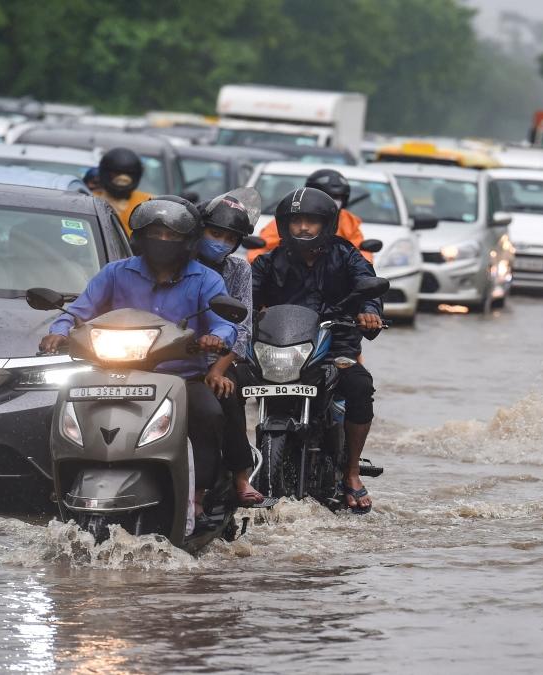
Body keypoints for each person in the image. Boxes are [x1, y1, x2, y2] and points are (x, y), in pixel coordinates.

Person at [38, 196, 236, 528]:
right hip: (110, 373)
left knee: (208, 414)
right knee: (58, 408)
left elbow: (224, 322)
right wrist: (58, 331)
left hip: (180, 379)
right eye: (155, 233)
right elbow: (78, 311)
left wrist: (216, 337)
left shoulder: (205, 279)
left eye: (172, 235)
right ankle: (56, 486)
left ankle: (198, 498)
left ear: (187, 241)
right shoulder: (115, 273)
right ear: (139, 237)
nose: (162, 241)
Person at [251, 187, 383, 513]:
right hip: (282, 349)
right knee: (226, 384)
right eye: (296, 222)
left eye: (312, 221)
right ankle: (235, 474)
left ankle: (350, 472)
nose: (304, 228)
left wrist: (370, 312)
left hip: (334, 346)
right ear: (284, 225)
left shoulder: (347, 256)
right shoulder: (270, 262)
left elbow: (367, 285)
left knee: (360, 387)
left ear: (327, 224)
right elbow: (246, 297)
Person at [196, 190, 266, 506]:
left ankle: (240, 474)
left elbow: (242, 327)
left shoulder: (238, 270)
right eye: (215, 233)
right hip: (173, 354)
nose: (221, 242)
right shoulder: (177, 263)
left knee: (227, 396)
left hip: (224, 357)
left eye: (229, 238)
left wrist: (218, 368)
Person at [247, 169, 372, 264]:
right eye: (327, 196)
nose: (304, 227)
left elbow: (362, 255)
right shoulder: (289, 217)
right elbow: (260, 251)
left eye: (339, 198)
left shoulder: (349, 221)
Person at [92, 147, 151, 233]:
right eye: (116, 173)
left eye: (129, 174)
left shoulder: (148, 203)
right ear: (105, 173)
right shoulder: (90, 201)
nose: (122, 179)